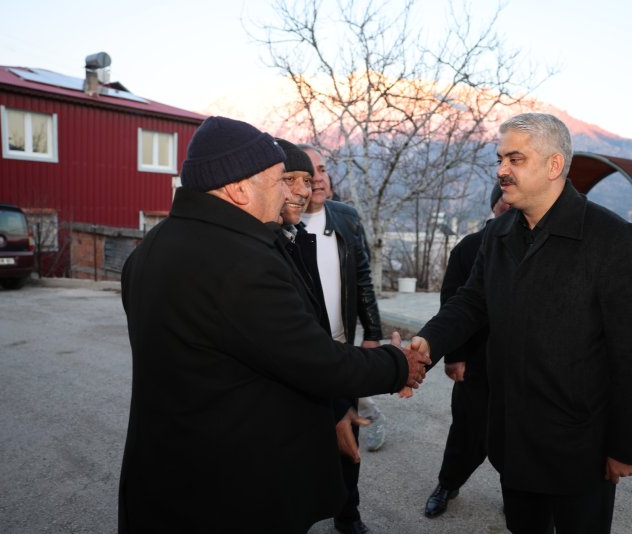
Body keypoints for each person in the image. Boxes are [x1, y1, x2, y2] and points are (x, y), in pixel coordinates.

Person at [118, 116, 430, 534]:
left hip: (165, 474)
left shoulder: (149, 249)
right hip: (228, 489)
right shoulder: (241, 261)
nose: (289, 192)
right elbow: (316, 361)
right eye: (279, 180)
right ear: (239, 189)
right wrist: (399, 364)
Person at [411, 112, 632, 534]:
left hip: (578, 446)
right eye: (500, 159)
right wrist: (429, 341)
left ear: (554, 165)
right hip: (513, 439)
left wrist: (627, 446)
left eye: (515, 159)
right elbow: (471, 301)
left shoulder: (612, 239)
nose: (501, 170)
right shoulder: (498, 234)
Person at [298, 143, 386, 534]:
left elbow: (362, 277)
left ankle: (347, 514)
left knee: (347, 437)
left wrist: (373, 333)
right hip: (300, 355)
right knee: (303, 439)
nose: (318, 178)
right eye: (307, 173)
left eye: (322, 169)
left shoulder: (346, 218)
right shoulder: (281, 225)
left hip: (342, 350)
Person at [424, 184, 510, 519]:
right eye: (503, 200)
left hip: (518, 364)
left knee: (515, 435)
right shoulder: (470, 247)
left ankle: (516, 494)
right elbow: (452, 302)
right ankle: (447, 484)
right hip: (475, 358)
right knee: (467, 429)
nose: (510, 205)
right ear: (495, 205)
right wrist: (454, 355)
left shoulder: (535, 245)